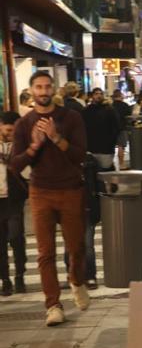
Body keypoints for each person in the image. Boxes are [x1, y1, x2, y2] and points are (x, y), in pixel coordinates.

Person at [8, 71, 89, 326]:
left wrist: (55, 137)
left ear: (54, 89)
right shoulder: (24, 124)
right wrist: (34, 145)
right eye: (38, 87)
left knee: (76, 247)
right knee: (45, 253)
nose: (43, 91)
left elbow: (79, 155)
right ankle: (53, 305)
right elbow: (15, 164)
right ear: (31, 91)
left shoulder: (71, 117)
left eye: (47, 87)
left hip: (70, 189)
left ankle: (76, 280)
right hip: (40, 191)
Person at [0, 111, 29, 296]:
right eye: (9, 130)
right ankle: (5, 279)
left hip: (14, 199)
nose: (11, 134)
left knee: (16, 237)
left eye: (14, 130)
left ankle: (20, 275)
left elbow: (28, 171)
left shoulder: (21, 146)